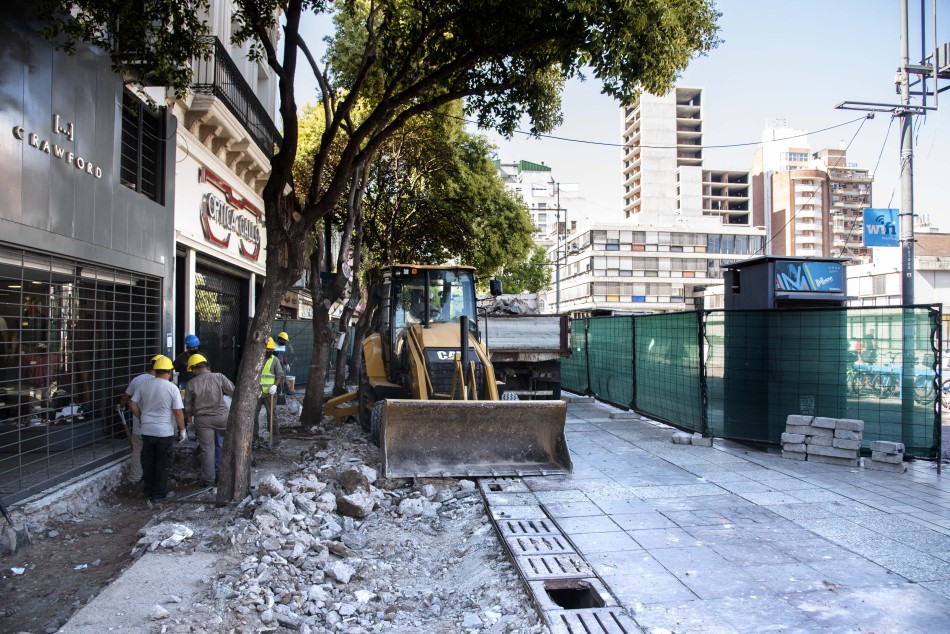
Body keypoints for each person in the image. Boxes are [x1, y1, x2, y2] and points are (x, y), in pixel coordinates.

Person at [130, 355, 185, 503]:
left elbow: (132, 403)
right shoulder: (172, 388)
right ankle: (160, 494)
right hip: (164, 432)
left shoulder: (144, 385)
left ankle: (148, 491)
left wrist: (141, 417)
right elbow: (178, 412)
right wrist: (182, 430)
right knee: (163, 463)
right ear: (169, 371)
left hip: (147, 430)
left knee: (148, 462)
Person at [183, 353, 234, 487]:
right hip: (222, 417)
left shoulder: (191, 384)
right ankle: (227, 475)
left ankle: (209, 480)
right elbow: (233, 391)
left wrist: (189, 423)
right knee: (228, 444)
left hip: (202, 420)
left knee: (207, 449)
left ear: (194, 369)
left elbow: (187, 407)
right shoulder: (219, 377)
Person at [117, 354, 161, 485]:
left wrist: (121, 407)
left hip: (139, 426)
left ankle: (134, 478)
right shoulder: (162, 382)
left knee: (137, 451)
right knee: (156, 452)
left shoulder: (138, 379)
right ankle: (153, 479)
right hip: (157, 427)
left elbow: (126, 397)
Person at [256, 337, 284, 446]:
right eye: (267, 349)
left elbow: (279, 375)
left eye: (271, 349)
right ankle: (253, 437)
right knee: (253, 416)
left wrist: (275, 386)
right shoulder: (256, 359)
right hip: (257, 392)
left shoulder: (274, 360)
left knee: (272, 414)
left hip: (270, 392)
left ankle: (275, 437)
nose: (269, 351)